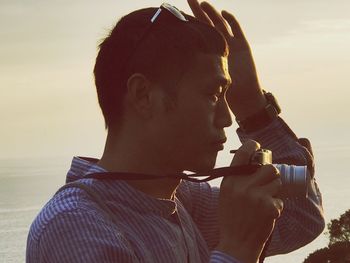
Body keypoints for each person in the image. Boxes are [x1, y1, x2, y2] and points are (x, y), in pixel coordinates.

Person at [26, 1, 325, 262]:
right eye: (212, 95)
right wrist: (237, 250)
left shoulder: (178, 199)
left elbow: (300, 218)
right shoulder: (76, 229)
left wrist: (253, 107)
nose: (226, 118)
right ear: (143, 95)